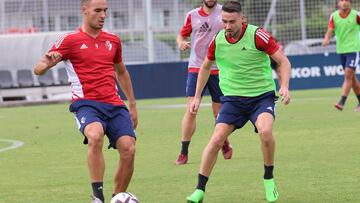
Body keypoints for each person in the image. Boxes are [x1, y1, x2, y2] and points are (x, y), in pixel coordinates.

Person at [186, 1, 291, 202]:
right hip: (233, 101)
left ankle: (268, 179)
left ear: (242, 19)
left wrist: (284, 86)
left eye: (231, 22)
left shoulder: (258, 35)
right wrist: (197, 97)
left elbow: (283, 61)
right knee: (216, 140)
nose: (227, 26)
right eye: (224, 21)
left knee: (266, 132)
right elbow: (205, 67)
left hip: (261, 98)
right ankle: (199, 190)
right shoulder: (218, 40)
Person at [33, 0, 138, 203]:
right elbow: (38, 68)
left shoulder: (113, 40)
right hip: (86, 103)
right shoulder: (69, 40)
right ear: (84, 10)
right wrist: (48, 64)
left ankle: (118, 197)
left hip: (114, 104)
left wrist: (132, 104)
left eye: (105, 11)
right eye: (98, 10)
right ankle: (97, 197)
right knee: (95, 135)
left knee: (129, 149)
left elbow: (121, 71)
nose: (103, 15)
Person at [175, 0, 233, 165]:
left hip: (219, 68)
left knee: (219, 113)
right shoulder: (192, 15)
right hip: (196, 67)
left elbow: (236, 31)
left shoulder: (225, 13)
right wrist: (181, 42)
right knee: (192, 109)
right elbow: (181, 35)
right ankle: (183, 152)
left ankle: (223, 142)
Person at [322, 0, 360, 112]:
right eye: (341, 0)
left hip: (354, 49)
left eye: (346, 0)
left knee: (348, 74)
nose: (343, 3)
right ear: (338, 3)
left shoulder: (356, 15)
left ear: (350, 3)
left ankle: (341, 101)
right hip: (341, 50)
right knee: (351, 78)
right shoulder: (334, 16)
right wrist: (326, 39)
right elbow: (330, 29)